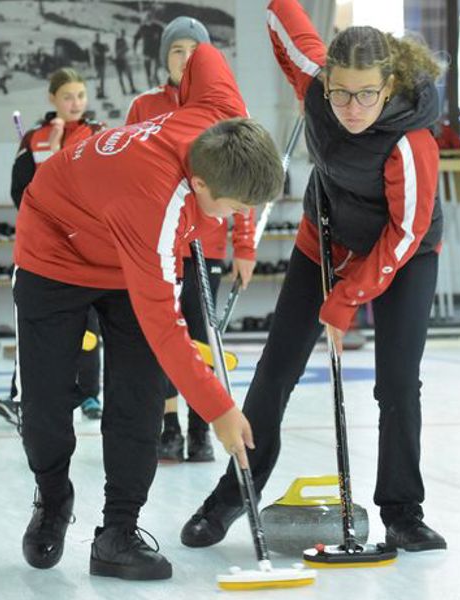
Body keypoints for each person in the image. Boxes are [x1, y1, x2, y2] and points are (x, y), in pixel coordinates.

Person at [180, 0, 446, 554]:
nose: (351, 107)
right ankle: (232, 497)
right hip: (323, 237)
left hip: (403, 253)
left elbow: (404, 234)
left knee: (397, 382)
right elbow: (286, 25)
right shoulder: (318, 83)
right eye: (340, 93)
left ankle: (402, 511)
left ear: (390, 83)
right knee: (275, 371)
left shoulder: (411, 141)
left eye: (366, 94)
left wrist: (347, 299)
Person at [12, 43, 284, 581]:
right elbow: (166, 326)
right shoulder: (158, 204)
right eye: (233, 209)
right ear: (200, 184)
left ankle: (117, 532)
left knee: (138, 394)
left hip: (126, 246)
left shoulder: (219, 115)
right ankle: (52, 497)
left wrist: (186, 85)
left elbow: (204, 53)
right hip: (55, 246)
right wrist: (219, 408)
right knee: (45, 398)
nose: (237, 217)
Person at [128, 16, 257, 463]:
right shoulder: (145, 106)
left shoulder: (220, 107)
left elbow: (246, 176)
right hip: (155, 243)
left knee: (201, 336)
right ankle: (168, 426)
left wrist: (245, 246)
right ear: (164, 56)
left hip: (206, 243)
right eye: (176, 49)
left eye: (193, 51)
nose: (185, 58)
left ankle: (202, 427)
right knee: (162, 333)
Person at [0, 68, 106, 428]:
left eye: (81, 96)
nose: (75, 103)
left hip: (88, 245)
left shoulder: (98, 135)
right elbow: (19, 192)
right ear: (53, 99)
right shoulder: (33, 139)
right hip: (45, 247)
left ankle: (89, 393)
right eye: (68, 96)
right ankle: (20, 396)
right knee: (37, 321)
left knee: (90, 322)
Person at [133, 15, 164, 89]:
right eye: (146, 19)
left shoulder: (158, 27)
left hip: (156, 53)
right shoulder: (142, 28)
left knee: (155, 73)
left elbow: (165, 37)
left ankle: (159, 90)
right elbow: (136, 38)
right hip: (146, 53)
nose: (148, 20)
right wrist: (134, 48)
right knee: (148, 74)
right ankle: (151, 90)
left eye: (150, 18)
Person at [114, 29, 136, 95]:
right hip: (119, 60)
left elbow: (125, 50)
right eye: (122, 33)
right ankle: (124, 90)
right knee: (122, 76)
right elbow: (117, 51)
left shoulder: (123, 40)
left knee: (128, 75)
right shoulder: (118, 40)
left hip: (123, 60)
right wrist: (124, 49)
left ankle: (130, 88)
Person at [92, 33, 109, 99]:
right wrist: (103, 49)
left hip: (102, 63)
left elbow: (107, 49)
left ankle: (102, 93)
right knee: (98, 78)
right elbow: (96, 53)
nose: (97, 38)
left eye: (98, 37)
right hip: (97, 63)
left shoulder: (101, 45)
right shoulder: (94, 45)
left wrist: (105, 47)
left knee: (102, 79)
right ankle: (98, 93)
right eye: (96, 37)